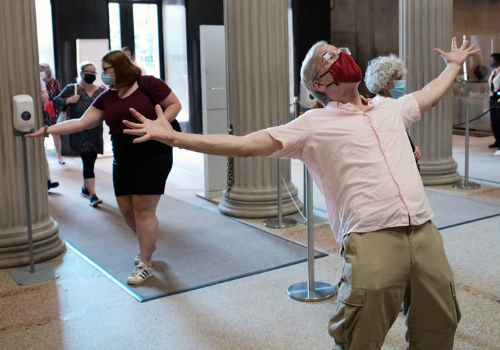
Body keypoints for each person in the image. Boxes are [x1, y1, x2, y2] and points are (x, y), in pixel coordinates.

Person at [123, 38, 479, 349]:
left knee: (440, 321)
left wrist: (453, 66)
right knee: (361, 334)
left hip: (424, 229)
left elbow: (430, 94)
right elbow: (244, 145)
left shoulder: (389, 108)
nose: (340, 54)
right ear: (318, 83)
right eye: (329, 56)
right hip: (372, 237)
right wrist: (173, 137)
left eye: (339, 50)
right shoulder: (312, 125)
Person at [27, 50, 182, 285]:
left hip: (153, 152)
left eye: (105, 69)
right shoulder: (107, 96)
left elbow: (174, 104)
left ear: (119, 67)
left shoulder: (148, 84)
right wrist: (46, 130)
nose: (102, 74)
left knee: (143, 210)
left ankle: (145, 263)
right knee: (126, 210)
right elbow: (81, 122)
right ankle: (147, 241)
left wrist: (159, 124)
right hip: (123, 156)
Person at [52, 61, 106, 207]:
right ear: (81, 73)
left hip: (95, 131)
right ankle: (92, 195)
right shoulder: (73, 88)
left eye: (94, 72)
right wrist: (69, 100)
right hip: (79, 131)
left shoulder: (100, 91)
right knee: (88, 161)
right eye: (88, 72)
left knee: (91, 160)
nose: (92, 75)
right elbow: (55, 103)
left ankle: (84, 188)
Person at [364, 54, 421, 170]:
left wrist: (411, 149)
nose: (403, 81)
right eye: (398, 79)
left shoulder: (393, 104)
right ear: (384, 83)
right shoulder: (378, 108)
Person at [40, 63, 64, 164]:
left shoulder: (54, 82)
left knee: (55, 133)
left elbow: (59, 96)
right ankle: (42, 157)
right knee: (41, 133)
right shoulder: (37, 82)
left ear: (47, 71)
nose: (40, 72)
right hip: (40, 110)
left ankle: (59, 156)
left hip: (52, 110)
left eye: (41, 70)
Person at [488, 53, 500, 151]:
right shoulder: (494, 71)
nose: (491, 62)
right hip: (492, 97)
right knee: (494, 120)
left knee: (499, 119)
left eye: (493, 60)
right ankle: (498, 140)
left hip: (499, 97)